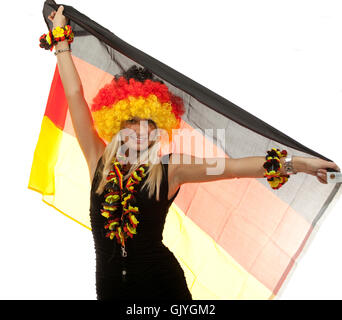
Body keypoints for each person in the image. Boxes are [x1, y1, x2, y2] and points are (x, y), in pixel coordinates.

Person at [47, 6, 340, 300]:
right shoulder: (98, 159)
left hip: (162, 288)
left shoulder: (170, 169)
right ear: (117, 121)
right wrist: (60, 39)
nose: (139, 130)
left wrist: (299, 163)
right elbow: (74, 95)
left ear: (158, 127)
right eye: (131, 121)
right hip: (110, 289)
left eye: (148, 124)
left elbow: (234, 167)